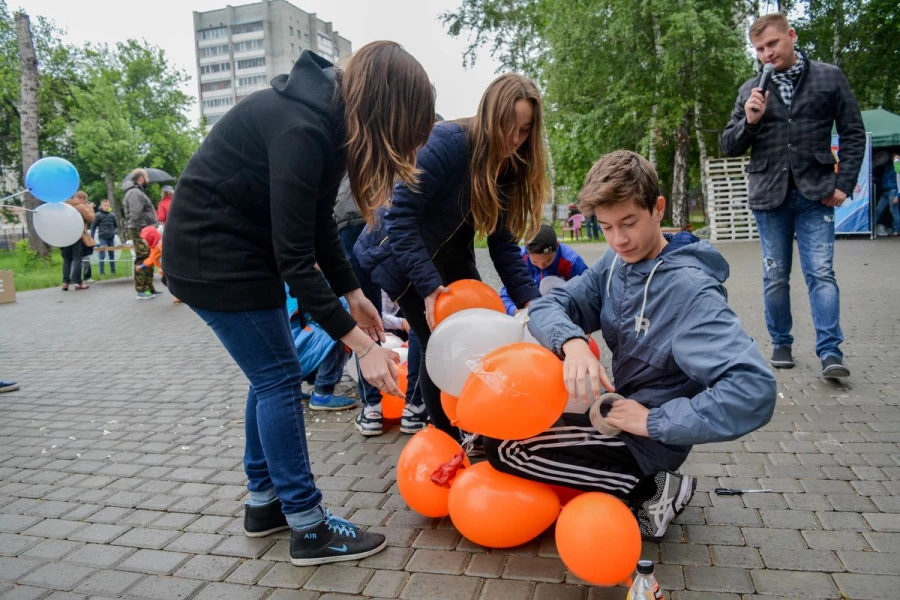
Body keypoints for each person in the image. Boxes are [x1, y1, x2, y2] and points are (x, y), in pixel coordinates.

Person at [162, 42, 435, 566]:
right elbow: (294, 258)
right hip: (213, 257)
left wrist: (354, 294)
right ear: (387, 108)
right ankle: (308, 528)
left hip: (240, 252)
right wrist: (362, 347)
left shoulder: (327, 122)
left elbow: (317, 224)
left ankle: (265, 503)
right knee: (279, 381)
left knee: (271, 375)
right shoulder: (303, 129)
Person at [493, 150, 777, 541]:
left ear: (658, 208)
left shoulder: (691, 292)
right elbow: (547, 306)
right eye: (606, 226)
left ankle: (655, 490)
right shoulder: (615, 264)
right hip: (614, 412)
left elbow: (754, 390)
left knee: (508, 450)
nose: (619, 239)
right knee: (501, 430)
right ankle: (623, 482)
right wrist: (573, 342)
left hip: (647, 438)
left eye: (629, 223)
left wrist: (654, 421)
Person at [356, 73, 548, 438]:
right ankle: (445, 437)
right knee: (440, 342)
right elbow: (400, 216)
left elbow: (503, 243)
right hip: (398, 253)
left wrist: (533, 304)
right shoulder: (449, 142)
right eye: (509, 127)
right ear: (490, 115)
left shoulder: (509, 165)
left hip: (449, 253)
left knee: (480, 335)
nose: (515, 139)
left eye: (524, 131)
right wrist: (429, 287)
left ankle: (477, 422)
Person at [720, 13, 865, 378]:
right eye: (759, 49)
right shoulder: (750, 90)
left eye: (772, 44)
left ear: (791, 35)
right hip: (769, 197)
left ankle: (830, 352)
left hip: (817, 194)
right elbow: (728, 146)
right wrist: (750, 122)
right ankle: (781, 342)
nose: (767, 53)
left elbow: (853, 132)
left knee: (821, 273)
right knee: (775, 276)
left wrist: (844, 183)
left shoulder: (829, 77)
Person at [334, 174, 428, 436]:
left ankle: (372, 409)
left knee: (363, 315)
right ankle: (414, 407)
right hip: (395, 208)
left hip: (351, 211)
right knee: (417, 313)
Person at [500, 224, 589, 315]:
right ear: (527, 251)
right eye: (534, 262)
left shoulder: (571, 261)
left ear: (557, 246)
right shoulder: (519, 260)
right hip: (529, 311)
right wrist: (514, 311)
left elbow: (587, 292)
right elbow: (506, 295)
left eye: (547, 262)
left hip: (563, 310)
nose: (541, 266)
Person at [123, 169, 160, 299]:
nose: (148, 180)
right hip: (141, 229)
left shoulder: (138, 191)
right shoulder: (135, 192)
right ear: (140, 179)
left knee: (149, 256)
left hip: (145, 229)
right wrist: (143, 231)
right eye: (147, 177)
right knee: (142, 257)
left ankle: (149, 288)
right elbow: (136, 213)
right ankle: (141, 289)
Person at [60, 191, 95, 291]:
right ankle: (77, 282)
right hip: (77, 235)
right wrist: (90, 208)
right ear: (82, 198)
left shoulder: (63, 206)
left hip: (64, 236)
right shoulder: (80, 206)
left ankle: (65, 282)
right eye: (86, 200)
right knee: (77, 259)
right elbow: (91, 218)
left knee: (67, 260)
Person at [874, 152, 899, 236]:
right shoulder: (888, 167)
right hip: (886, 190)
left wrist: (897, 195)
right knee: (878, 209)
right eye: (893, 156)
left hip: (893, 190)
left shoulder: (897, 167)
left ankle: (897, 230)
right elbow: (885, 179)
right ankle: (871, 228)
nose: (893, 158)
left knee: (893, 210)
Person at [91, 199, 119, 275]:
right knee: (102, 255)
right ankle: (102, 272)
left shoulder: (112, 215)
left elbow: (116, 226)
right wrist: (92, 239)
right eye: (105, 205)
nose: (106, 207)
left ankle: (113, 271)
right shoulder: (98, 215)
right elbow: (93, 227)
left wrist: (114, 232)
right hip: (102, 238)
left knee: (112, 255)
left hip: (111, 238)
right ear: (101, 206)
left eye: (108, 205)